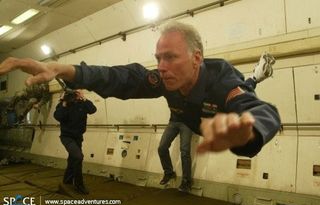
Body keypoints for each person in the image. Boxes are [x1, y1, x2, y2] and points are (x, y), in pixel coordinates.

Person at [0, 22, 281, 169]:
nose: (161, 66)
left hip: (221, 106)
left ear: (197, 58)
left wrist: (248, 133)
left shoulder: (223, 82)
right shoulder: (165, 78)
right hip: (189, 117)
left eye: (170, 57)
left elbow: (264, 112)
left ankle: (254, 76)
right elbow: (122, 78)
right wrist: (63, 69)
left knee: (246, 88)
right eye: (158, 58)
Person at [158, 51, 276, 192]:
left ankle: (186, 182)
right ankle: (169, 172)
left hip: (188, 123)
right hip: (174, 120)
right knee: (162, 147)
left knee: (184, 151)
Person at [54, 89, 96, 194]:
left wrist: (84, 97)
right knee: (78, 157)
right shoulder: (63, 105)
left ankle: (67, 181)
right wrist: (64, 101)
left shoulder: (82, 104)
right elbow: (58, 116)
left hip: (78, 137)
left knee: (73, 159)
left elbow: (93, 109)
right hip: (67, 137)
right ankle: (79, 185)